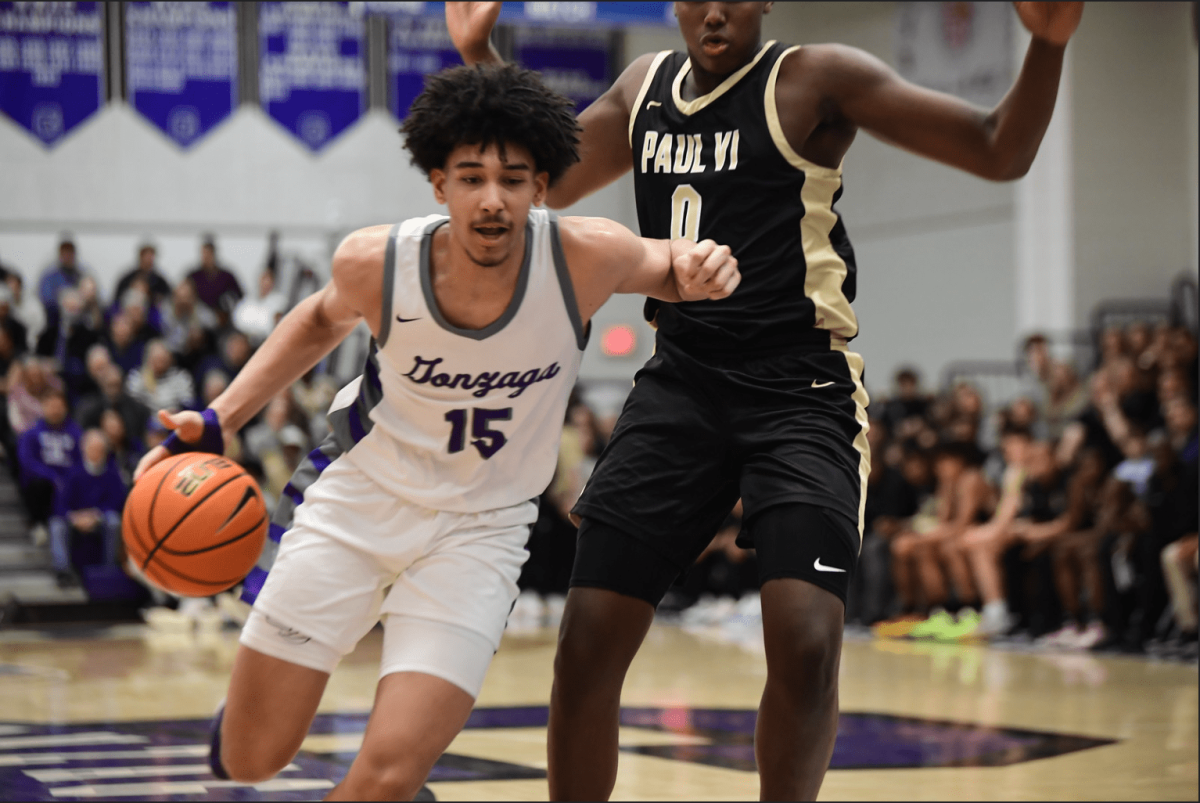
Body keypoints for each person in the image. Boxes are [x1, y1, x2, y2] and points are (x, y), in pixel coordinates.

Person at [449, 3, 1082, 795]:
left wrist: (1049, 45)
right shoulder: (643, 88)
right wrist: (480, 53)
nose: (716, 9)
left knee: (807, 640)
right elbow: (546, 179)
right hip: (682, 381)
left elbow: (1000, 149)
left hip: (800, 389)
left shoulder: (816, 79)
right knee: (584, 643)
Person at [132, 63, 740, 800]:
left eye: (513, 179)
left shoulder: (583, 255)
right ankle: (247, 724)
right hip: (357, 503)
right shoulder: (378, 261)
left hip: (478, 533)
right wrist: (221, 415)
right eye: (471, 176)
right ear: (438, 185)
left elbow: (668, 262)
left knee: (389, 774)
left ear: (541, 189)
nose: (492, 199)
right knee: (253, 759)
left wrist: (702, 261)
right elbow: (320, 320)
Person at [48, 429, 126, 588]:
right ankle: (63, 571)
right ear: (84, 448)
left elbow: (117, 502)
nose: (96, 453)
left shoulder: (112, 475)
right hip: (75, 520)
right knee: (56, 525)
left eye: (100, 449)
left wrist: (96, 515)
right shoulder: (72, 473)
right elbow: (60, 504)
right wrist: (75, 517)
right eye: (92, 448)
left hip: (99, 519)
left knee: (113, 522)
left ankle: (108, 569)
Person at [115, 244, 173, 309]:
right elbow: (117, 299)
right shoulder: (127, 279)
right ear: (140, 257)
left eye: (151, 257)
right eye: (147, 256)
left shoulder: (160, 282)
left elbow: (168, 298)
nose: (149, 260)